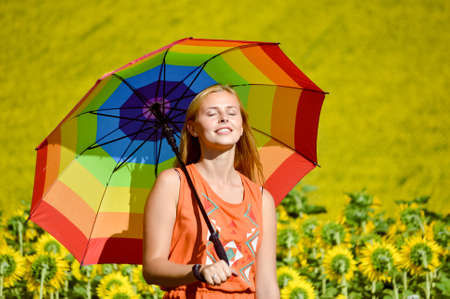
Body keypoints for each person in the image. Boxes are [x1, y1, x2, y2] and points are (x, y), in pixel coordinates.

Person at [142, 84, 279, 299]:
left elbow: (267, 285)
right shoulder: (173, 183)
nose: (224, 118)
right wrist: (197, 271)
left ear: (241, 126)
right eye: (212, 113)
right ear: (193, 128)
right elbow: (152, 268)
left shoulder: (262, 199)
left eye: (232, 113)